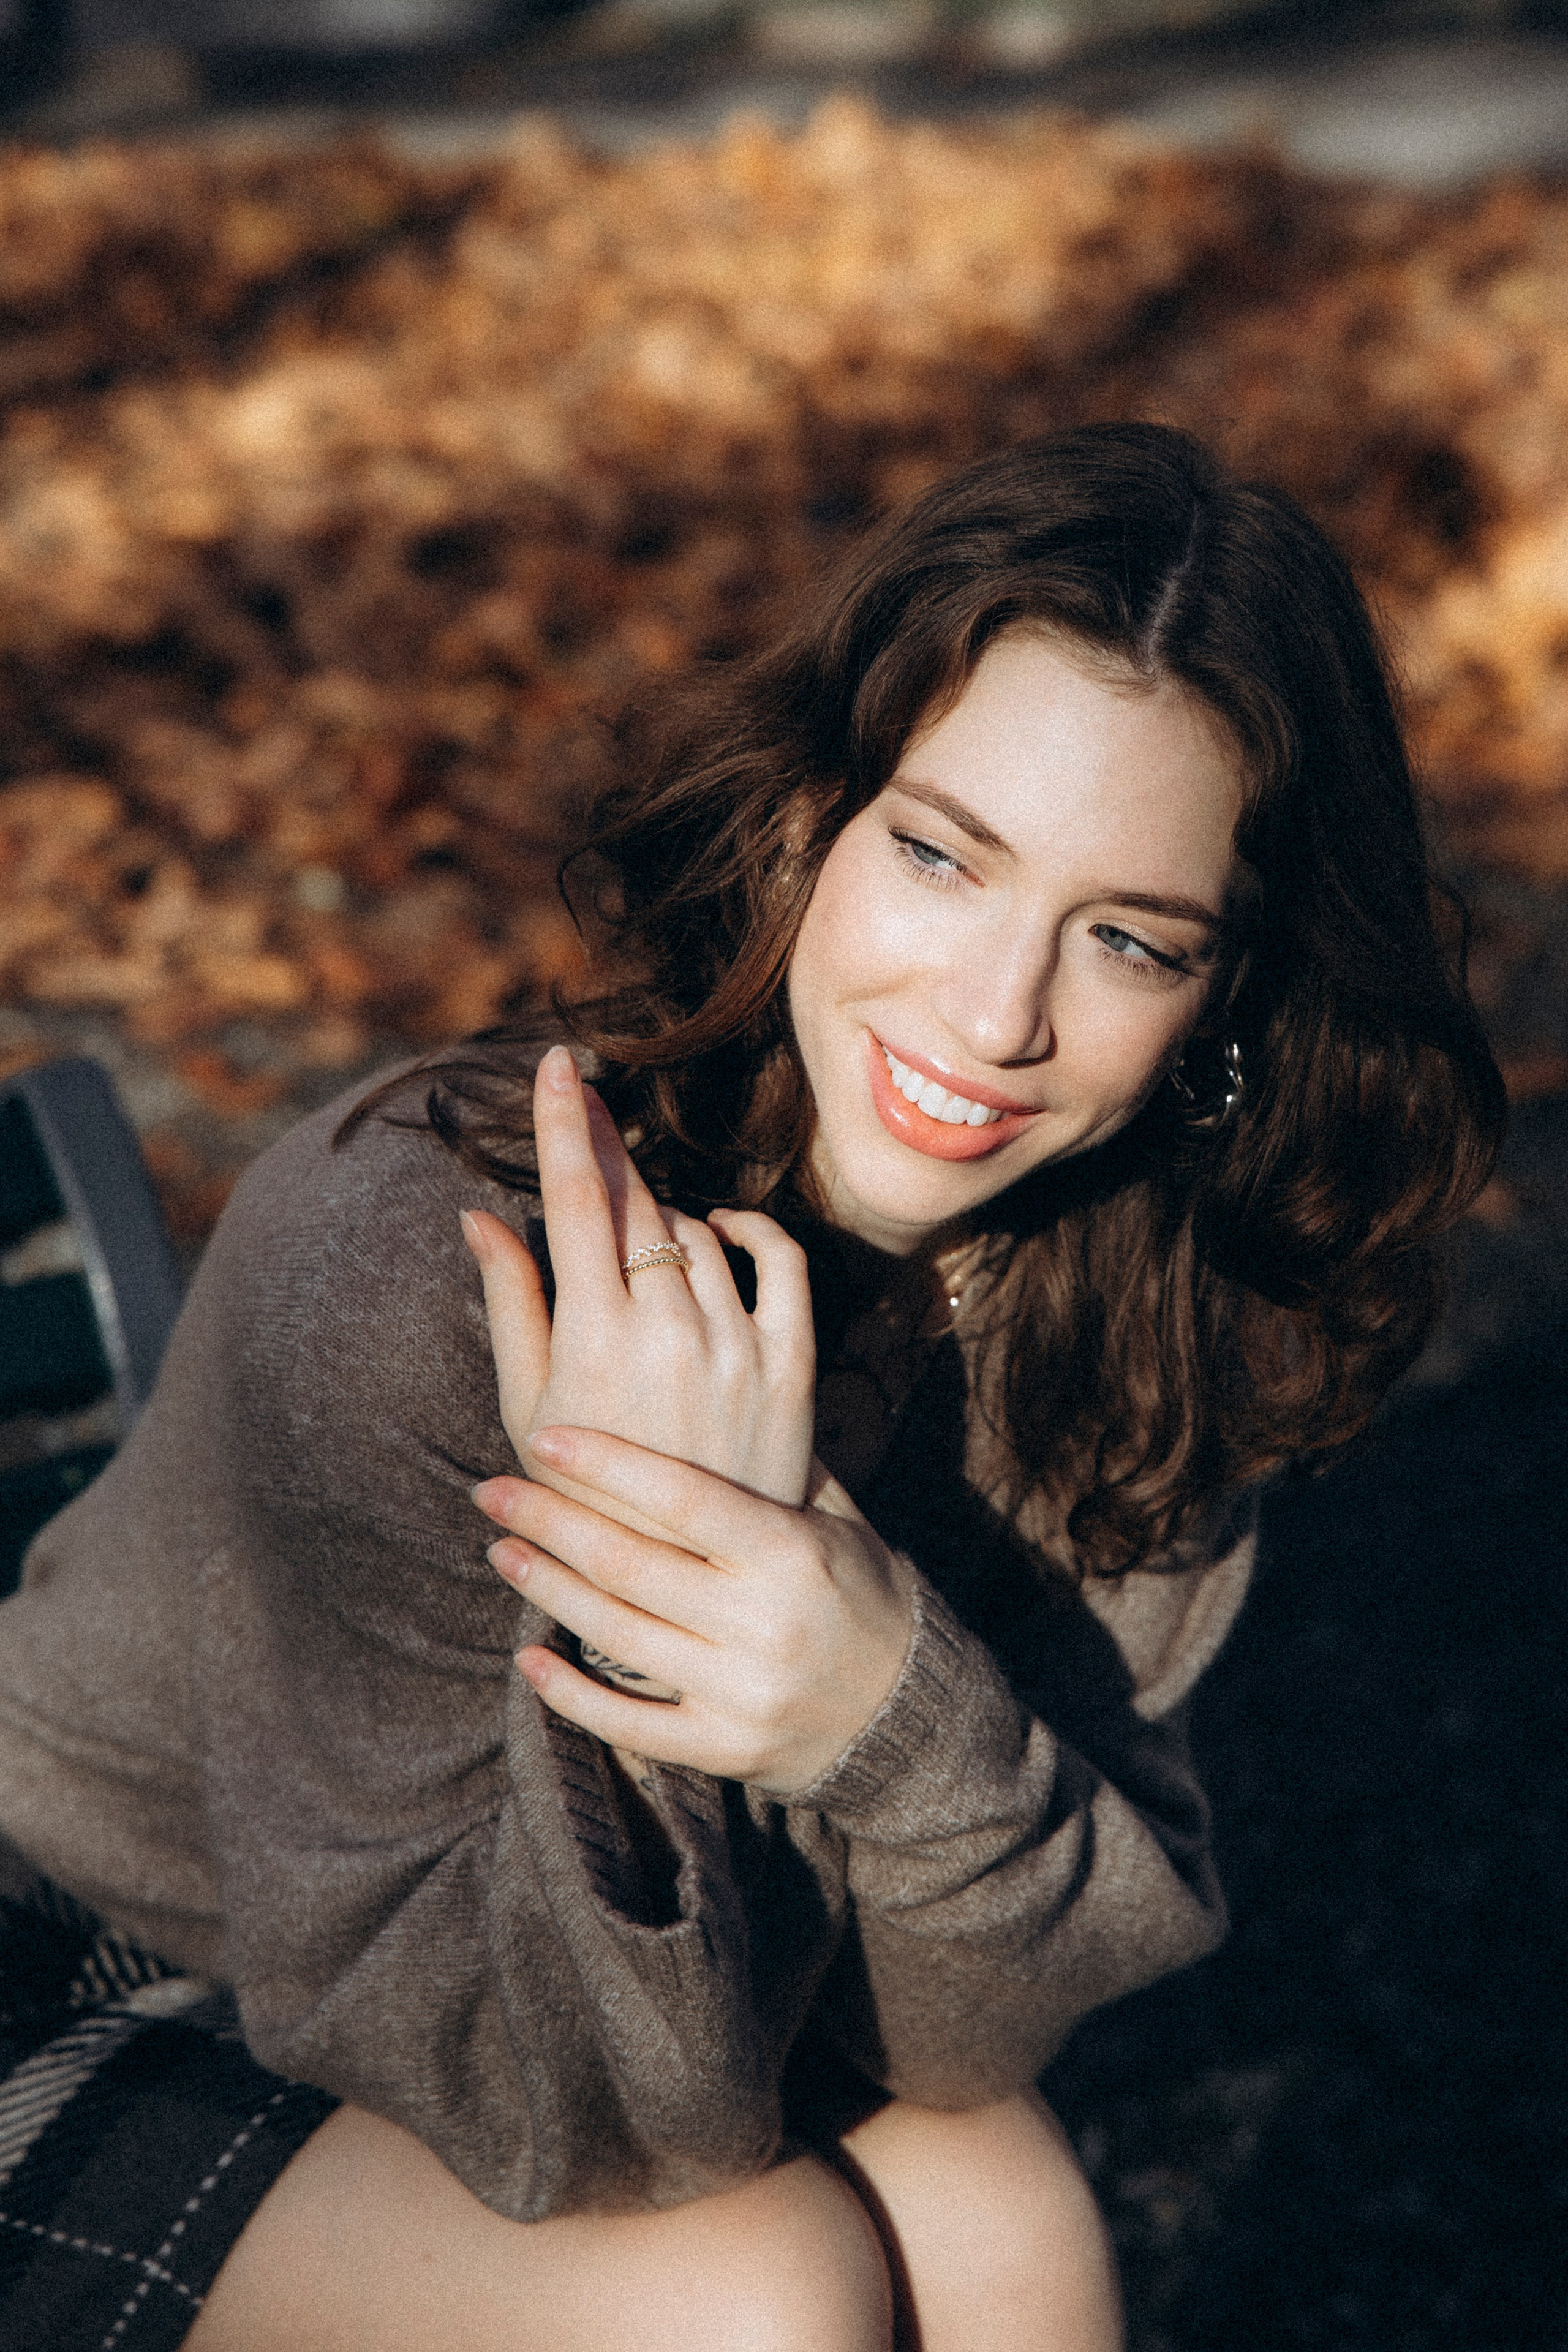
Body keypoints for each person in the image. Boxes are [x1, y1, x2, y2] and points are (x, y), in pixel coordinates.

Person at [0, 425, 1504, 2352]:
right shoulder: (423, 1261)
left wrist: (884, 1714)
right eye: (944, 856)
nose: (994, 1019)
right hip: (94, 1957)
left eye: (1128, 939)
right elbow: (595, 2122)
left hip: (521, 2009)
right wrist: (660, 1586)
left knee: (1008, 2211)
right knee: (755, 2295)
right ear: (811, 817)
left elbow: (972, 2033)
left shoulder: (1138, 1322)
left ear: (1228, 1000)